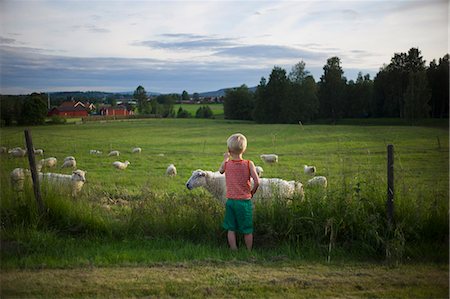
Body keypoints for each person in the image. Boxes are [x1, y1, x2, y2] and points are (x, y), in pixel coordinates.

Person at [219, 133, 260, 251]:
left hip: (231, 201)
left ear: (229, 149)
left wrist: (226, 158)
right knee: (247, 229)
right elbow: (257, 182)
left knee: (231, 228)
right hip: (244, 201)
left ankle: (233, 249)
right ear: (244, 149)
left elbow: (220, 171)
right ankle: (248, 251)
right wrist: (252, 193)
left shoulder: (227, 164)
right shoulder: (248, 164)